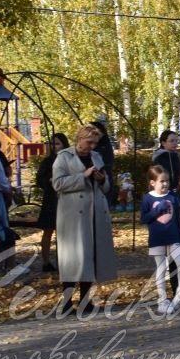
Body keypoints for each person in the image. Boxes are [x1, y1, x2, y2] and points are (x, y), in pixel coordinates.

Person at [52, 124, 118, 314]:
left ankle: (85, 300)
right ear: (79, 139)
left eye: (95, 143)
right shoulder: (63, 157)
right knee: (73, 258)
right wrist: (83, 176)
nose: (92, 146)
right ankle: (66, 302)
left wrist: (101, 179)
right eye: (89, 142)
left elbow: (106, 187)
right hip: (73, 215)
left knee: (90, 256)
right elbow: (57, 184)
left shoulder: (97, 157)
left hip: (94, 212)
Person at [140, 165, 180, 314]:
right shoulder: (148, 198)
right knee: (161, 269)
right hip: (157, 239)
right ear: (153, 182)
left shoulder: (173, 197)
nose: (165, 184)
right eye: (162, 181)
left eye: (167, 181)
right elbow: (144, 218)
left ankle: (179, 296)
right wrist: (156, 210)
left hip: (173, 238)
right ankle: (162, 300)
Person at [35, 133, 68, 273]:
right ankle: (46, 261)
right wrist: (48, 181)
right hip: (50, 199)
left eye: (58, 143)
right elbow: (40, 179)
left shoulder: (69, 160)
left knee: (63, 233)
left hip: (64, 199)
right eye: (53, 144)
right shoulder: (48, 162)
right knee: (48, 231)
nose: (55, 147)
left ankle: (63, 261)